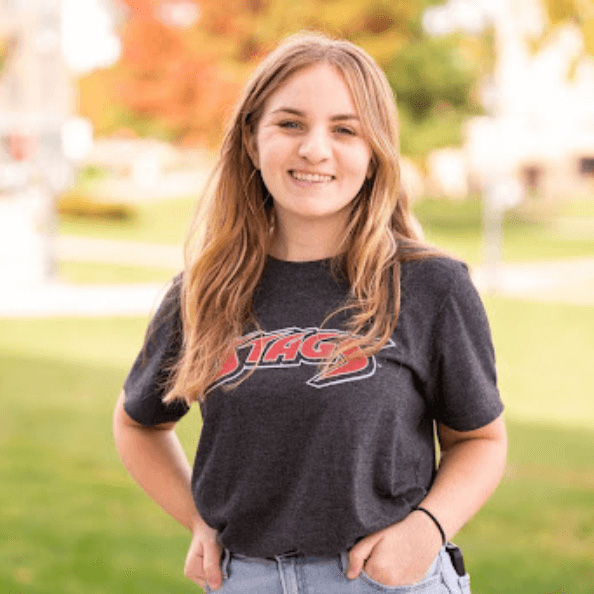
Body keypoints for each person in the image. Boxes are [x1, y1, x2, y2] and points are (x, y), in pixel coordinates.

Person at [113, 31, 506, 594]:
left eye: (345, 130)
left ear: (374, 155)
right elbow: (137, 423)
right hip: (245, 580)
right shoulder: (205, 291)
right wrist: (197, 518)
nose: (315, 149)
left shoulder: (428, 286)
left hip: (385, 579)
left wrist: (426, 529)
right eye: (290, 124)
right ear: (251, 141)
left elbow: (481, 441)